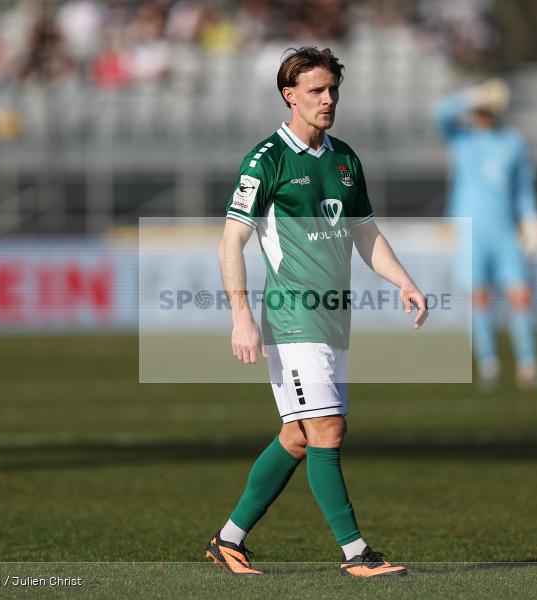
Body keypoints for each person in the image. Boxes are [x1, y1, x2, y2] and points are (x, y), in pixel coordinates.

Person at [208, 46, 427, 577]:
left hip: (334, 318)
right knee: (328, 430)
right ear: (290, 96)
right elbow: (230, 242)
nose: (328, 100)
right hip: (290, 316)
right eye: (316, 91)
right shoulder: (267, 160)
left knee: (298, 437)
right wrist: (242, 317)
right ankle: (357, 554)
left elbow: (365, 233)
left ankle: (228, 540)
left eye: (333, 90)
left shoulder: (346, 160)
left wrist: (404, 280)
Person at [433, 79, 537, 391]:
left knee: (521, 295)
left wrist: (532, 219)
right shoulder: (463, 139)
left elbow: (523, 188)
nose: (482, 114)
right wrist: (468, 94)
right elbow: (438, 114)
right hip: (471, 232)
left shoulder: (512, 142)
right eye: (479, 108)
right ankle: (489, 365)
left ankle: (529, 366)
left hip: (504, 231)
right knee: (480, 298)